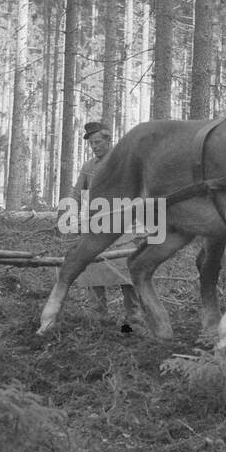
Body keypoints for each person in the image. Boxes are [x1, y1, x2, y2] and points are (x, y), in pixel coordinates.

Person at [69, 120, 144, 328]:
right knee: (92, 269)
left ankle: (134, 316)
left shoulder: (122, 162)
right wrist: (69, 215)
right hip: (95, 226)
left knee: (125, 270)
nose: (95, 146)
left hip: (123, 227)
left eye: (98, 142)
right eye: (92, 143)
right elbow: (76, 193)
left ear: (108, 139)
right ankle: (99, 316)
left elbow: (138, 192)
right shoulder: (88, 167)